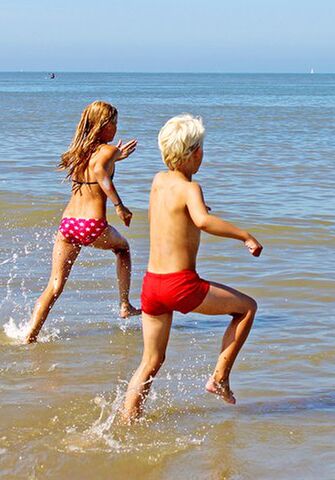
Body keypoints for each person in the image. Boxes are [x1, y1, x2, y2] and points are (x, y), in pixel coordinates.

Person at [122, 114, 263, 421]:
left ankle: (127, 421)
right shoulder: (191, 188)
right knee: (247, 308)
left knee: (150, 361)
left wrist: (196, 209)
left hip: (152, 285)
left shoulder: (159, 181)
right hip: (180, 285)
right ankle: (220, 377)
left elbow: (174, 213)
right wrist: (245, 236)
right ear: (195, 153)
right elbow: (201, 221)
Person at [25, 101, 140, 343]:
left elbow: (96, 165)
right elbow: (100, 171)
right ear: (103, 125)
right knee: (123, 249)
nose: (116, 128)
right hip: (92, 225)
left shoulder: (79, 153)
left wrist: (117, 157)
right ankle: (124, 304)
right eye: (114, 123)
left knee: (54, 287)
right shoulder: (106, 152)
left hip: (68, 225)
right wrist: (119, 205)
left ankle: (29, 336)